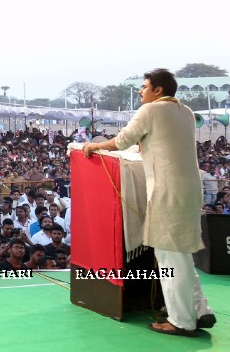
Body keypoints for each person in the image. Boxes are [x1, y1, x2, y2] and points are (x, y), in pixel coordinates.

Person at [82, 68, 216, 336]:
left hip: (168, 191)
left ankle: (181, 320)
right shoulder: (186, 112)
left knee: (169, 255)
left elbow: (122, 141)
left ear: (158, 90)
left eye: (145, 87)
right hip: (189, 190)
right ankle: (200, 309)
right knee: (182, 252)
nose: (141, 91)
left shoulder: (151, 111)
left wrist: (93, 146)